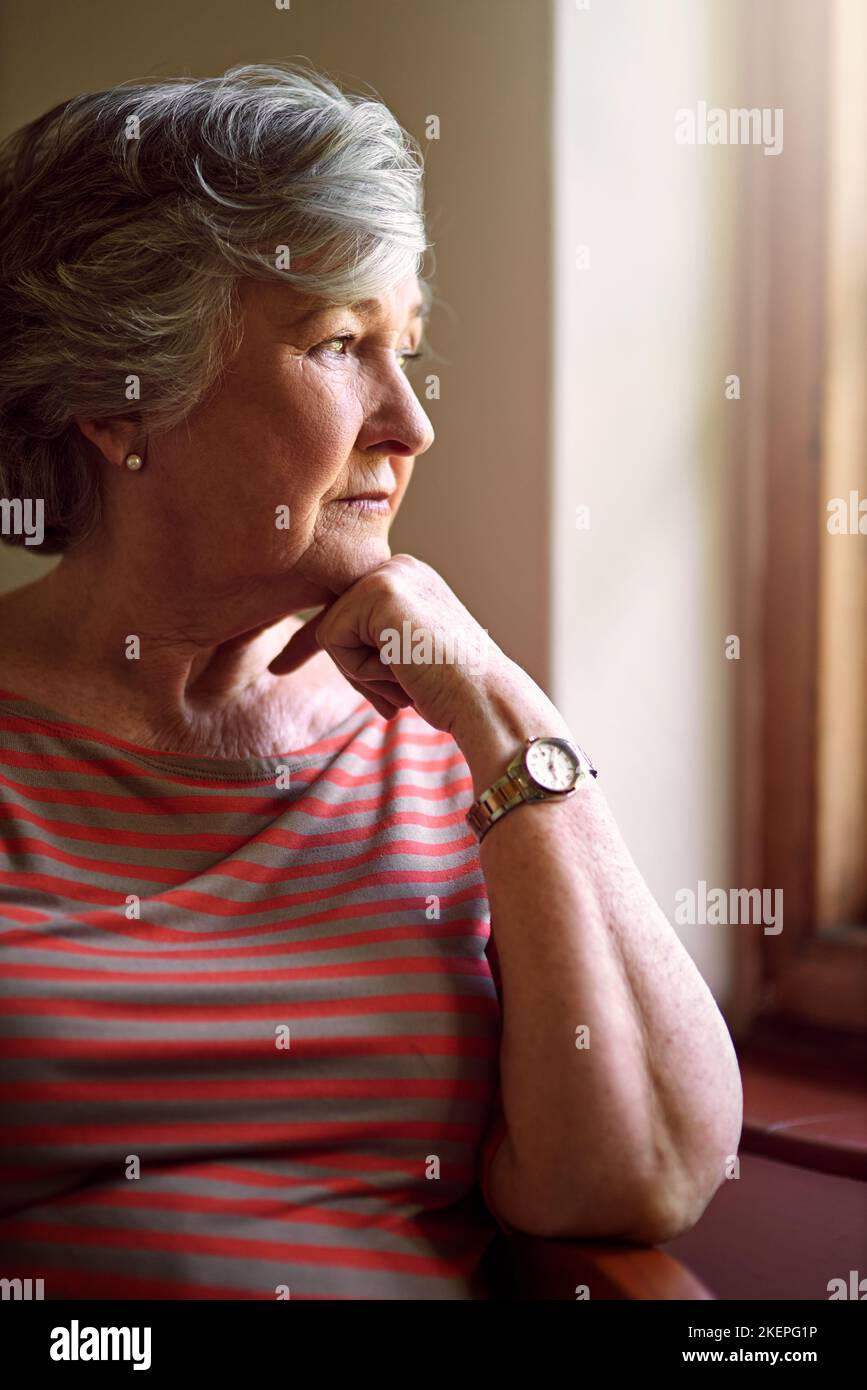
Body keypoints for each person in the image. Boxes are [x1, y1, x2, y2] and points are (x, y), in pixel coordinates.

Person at [0, 62, 742, 1299]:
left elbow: (641, 1177)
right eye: (341, 344)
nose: (411, 421)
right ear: (119, 402)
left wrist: (502, 708)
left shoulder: (456, 746)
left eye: (409, 346)